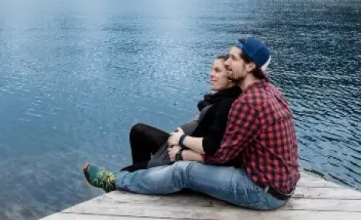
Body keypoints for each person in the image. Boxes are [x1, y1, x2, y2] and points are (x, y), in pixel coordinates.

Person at [82, 36, 299, 211]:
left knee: (183, 172)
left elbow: (221, 155)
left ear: (250, 66)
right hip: (280, 183)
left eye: (232, 59)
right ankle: (129, 181)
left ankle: (115, 181)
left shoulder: (248, 102)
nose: (226, 62)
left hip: (261, 191)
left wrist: (182, 152)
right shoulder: (269, 90)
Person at [123, 54, 241, 172]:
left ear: (231, 76)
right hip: (177, 146)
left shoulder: (226, 105)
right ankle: (143, 173)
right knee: (138, 131)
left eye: (217, 71)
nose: (211, 74)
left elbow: (211, 145)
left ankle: (143, 174)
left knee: (125, 173)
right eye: (212, 69)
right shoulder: (220, 100)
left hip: (178, 154)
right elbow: (205, 110)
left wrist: (181, 142)